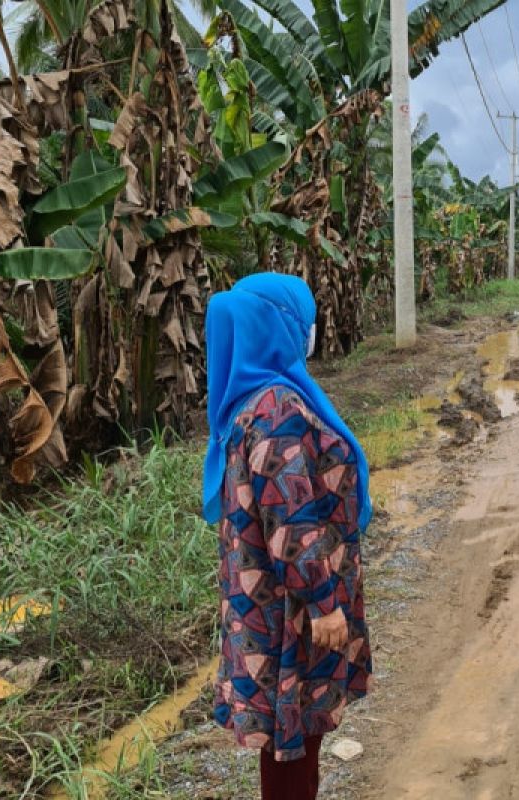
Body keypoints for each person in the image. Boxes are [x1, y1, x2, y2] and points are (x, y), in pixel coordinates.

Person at [202, 273, 374, 800]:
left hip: (269, 603)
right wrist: (324, 603)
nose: (312, 330)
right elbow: (293, 526)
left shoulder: (250, 402)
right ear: (284, 326)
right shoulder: (278, 410)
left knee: (289, 746)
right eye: (306, 320)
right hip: (292, 614)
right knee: (291, 744)